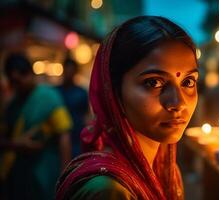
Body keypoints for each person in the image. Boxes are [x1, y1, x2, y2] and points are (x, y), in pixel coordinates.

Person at [55, 16, 198, 200]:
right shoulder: (108, 191)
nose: (178, 103)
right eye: (153, 82)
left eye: (188, 81)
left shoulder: (166, 171)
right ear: (113, 91)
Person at [0, 53, 72, 200]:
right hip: (18, 176)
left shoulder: (49, 97)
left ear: (30, 73)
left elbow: (64, 136)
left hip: (45, 172)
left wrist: (65, 175)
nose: (18, 85)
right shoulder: (12, 105)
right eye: (13, 82)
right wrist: (16, 145)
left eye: (21, 79)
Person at [56, 58, 89, 157]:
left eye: (71, 70)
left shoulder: (81, 92)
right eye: (67, 70)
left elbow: (86, 116)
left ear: (75, 72)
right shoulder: (56, 92)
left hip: (77, 138)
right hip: (58, 138)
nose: (69, 73)